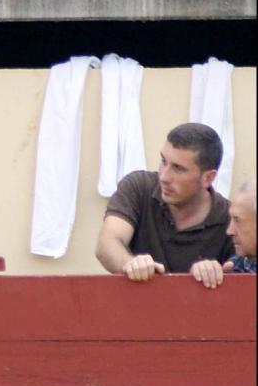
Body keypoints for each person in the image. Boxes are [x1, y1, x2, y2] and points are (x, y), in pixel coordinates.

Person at [95, 122, 234, 289]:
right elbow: (107, 242)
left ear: (208, 178)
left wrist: (216, 274)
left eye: (178, 168)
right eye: (163, 161)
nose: (164, 177)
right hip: (136, 310)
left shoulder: (231, 219)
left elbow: (243, 279)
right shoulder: (139, 188)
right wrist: (130, 264)